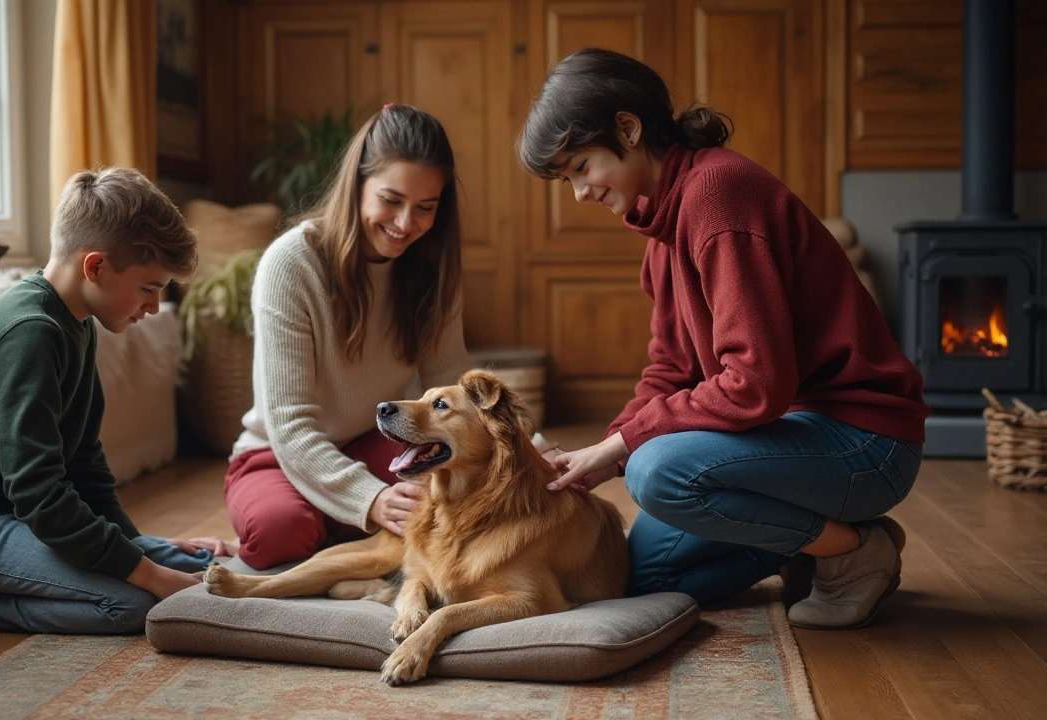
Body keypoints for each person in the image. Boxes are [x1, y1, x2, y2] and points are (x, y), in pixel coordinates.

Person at [516, 49, 929, 630]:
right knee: (644, 577)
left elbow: (756, 383)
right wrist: (601, 454)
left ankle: (854, 554)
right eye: (566, 179)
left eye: (580, 167)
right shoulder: (662, 227)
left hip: (865, 441)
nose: (578, 193)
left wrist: (621, 450)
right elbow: (670, 368)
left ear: (628, 129)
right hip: (791, 435)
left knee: (656, 473)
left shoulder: (718, 196)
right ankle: (833, 540)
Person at [0, 167, 234, 634]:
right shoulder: (28, 334)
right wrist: (149, 573)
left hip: (23, 517)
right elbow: (40, 495)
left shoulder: (76, 323)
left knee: (191, 563)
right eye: (148, 288)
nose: (154, 306)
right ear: (95, 267)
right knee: (134, 604)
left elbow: (84, 462)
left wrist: (137, 545)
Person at [226, 103, 472, 570]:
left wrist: (532, 449)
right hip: (276, 454)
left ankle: (339, 531)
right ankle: (336, 525)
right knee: (281, 532)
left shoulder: (434, 270)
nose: (405, 224)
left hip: (378, 444)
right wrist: (370, 499)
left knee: (459, 491)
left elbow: (453, 380)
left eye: (426, 208)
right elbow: (290, 423)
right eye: (391, 200)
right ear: (357, 185)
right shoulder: (291, 263)